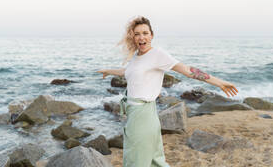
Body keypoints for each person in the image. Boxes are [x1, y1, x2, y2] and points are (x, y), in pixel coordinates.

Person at [97, 16, 238, 167]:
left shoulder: (157, 54)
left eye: (145, 33)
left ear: (152, 35)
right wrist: (109, 71)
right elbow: (128, 72)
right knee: (154, 161)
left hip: (143, 114)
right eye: (137, 34)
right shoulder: (137, 57)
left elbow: (187, 70)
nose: (141, 37)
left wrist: (219, 82)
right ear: (133, 37)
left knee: (135, 160)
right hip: (135, 113)